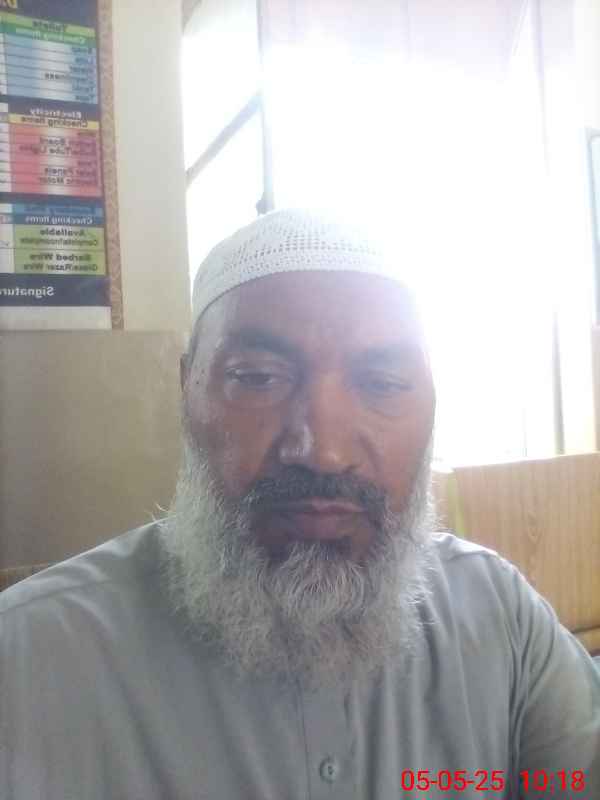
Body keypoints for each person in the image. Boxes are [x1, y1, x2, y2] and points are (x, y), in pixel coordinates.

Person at [1, 208, 598, 800]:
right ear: (187, 389)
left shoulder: (499, 617)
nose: (323, 452)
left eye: (383, 383)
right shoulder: (28, 659)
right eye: (259, 377)